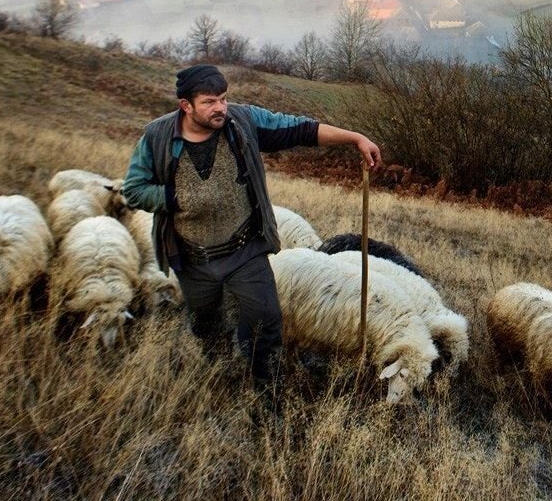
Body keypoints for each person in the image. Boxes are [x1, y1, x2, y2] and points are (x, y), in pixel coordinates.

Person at [122, 64, 381, 386]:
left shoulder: (241, 122)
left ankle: (264, 382)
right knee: (206, 323)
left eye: (223, 98)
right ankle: (220, 369)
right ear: (186, 105)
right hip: (192, 255)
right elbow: (133, 189)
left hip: (244, 248)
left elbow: (300, 130)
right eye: (209, 102)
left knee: (266, 319)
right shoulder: (157, 137)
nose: (219, 108)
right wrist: (173, 197)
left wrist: (354, 138)